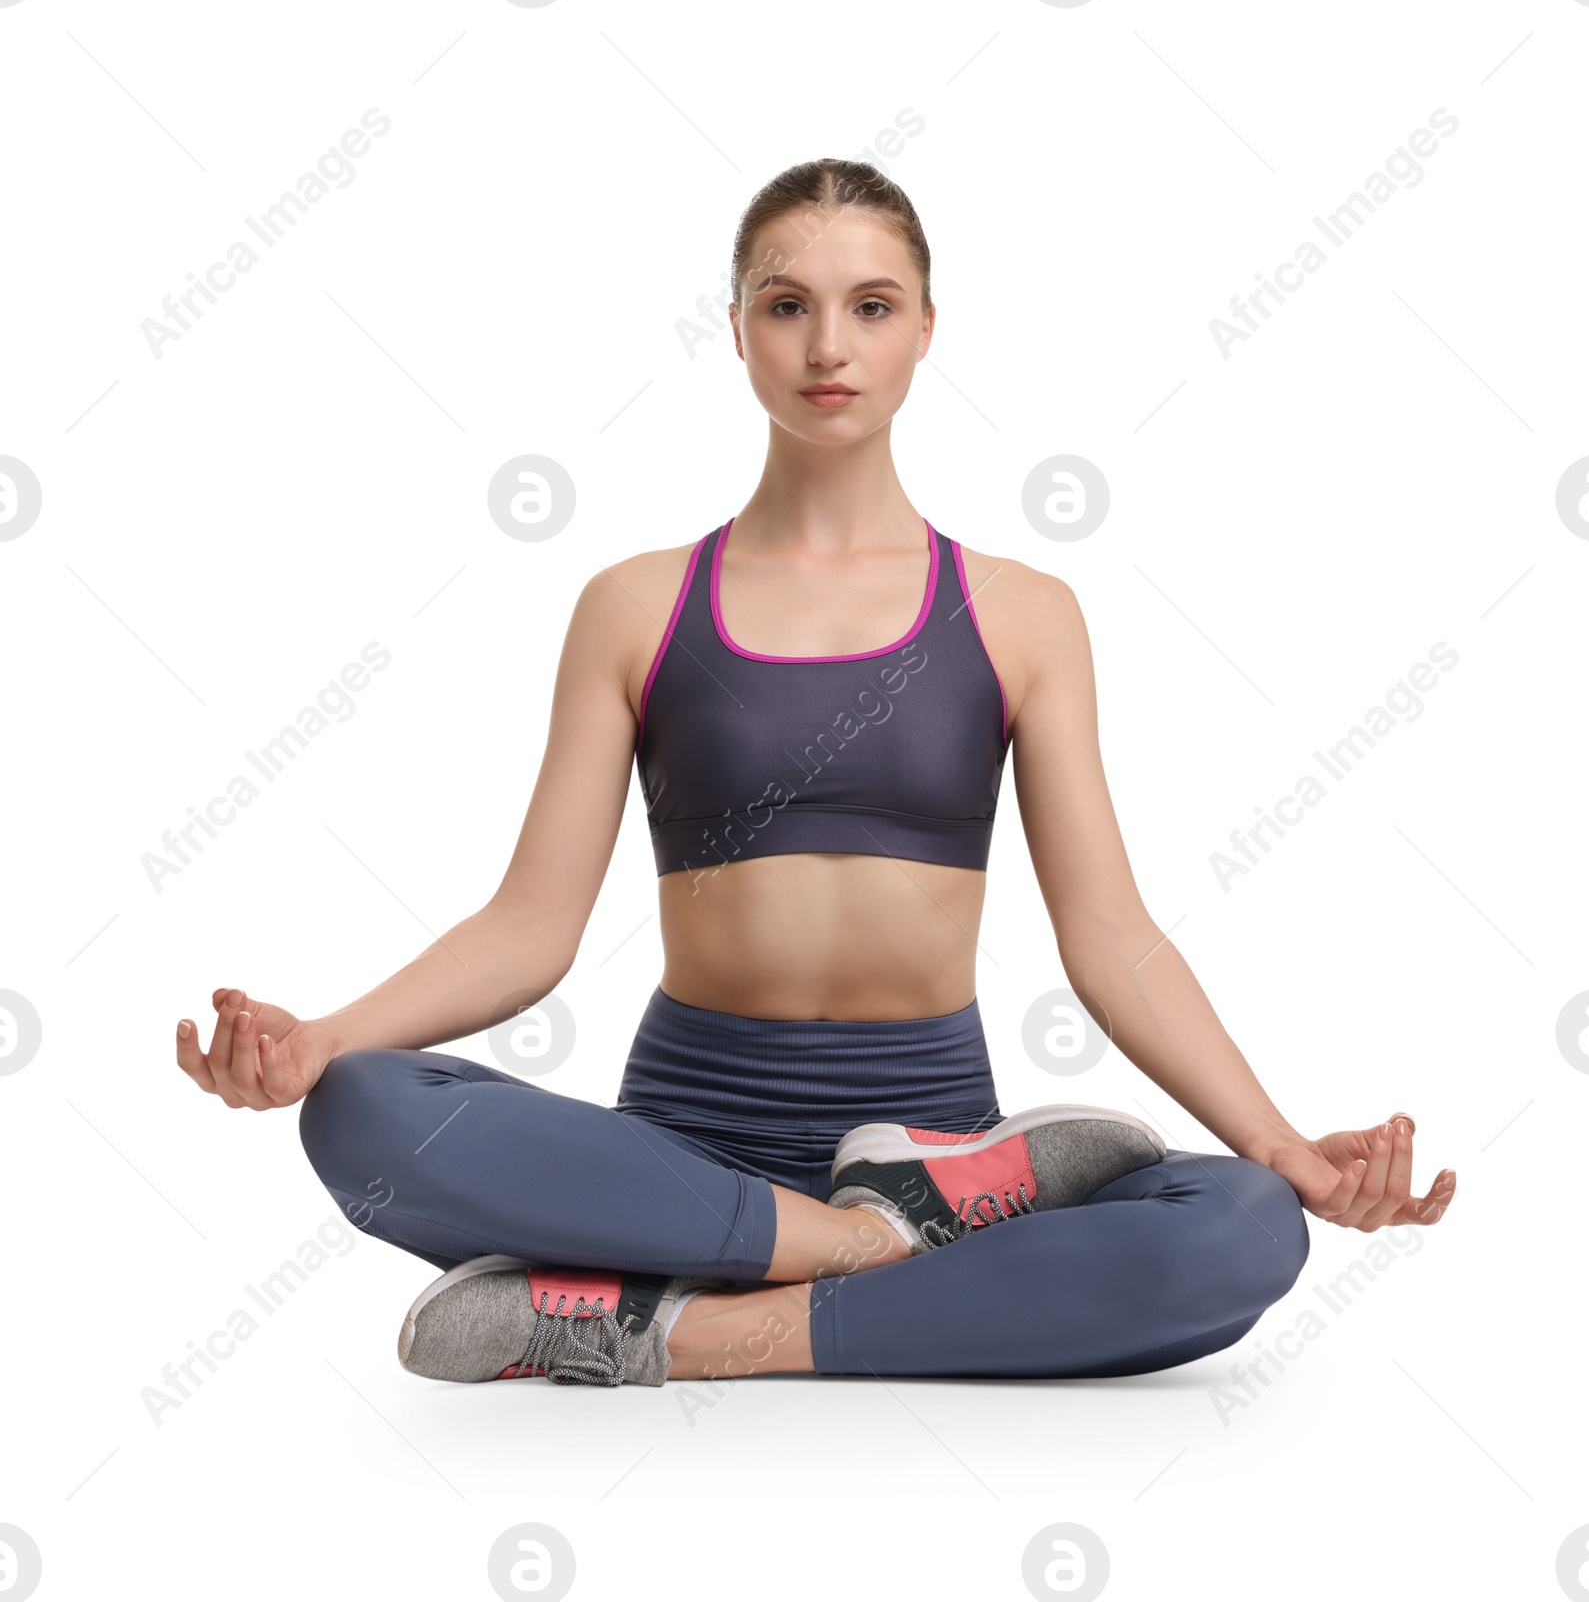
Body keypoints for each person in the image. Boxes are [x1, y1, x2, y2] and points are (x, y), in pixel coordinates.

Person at [174, 159, 1455, 1390]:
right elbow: (530, 925)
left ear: (926, 330)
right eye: (788, 306)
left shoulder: (1023, 613)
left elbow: (1110, 934)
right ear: (736, 332)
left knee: (1238, 1228)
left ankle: (676, 1327)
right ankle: (865, 1249)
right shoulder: (635, 605)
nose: (829, 345)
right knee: (360, 1114)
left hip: (947, 1145)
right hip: (678, 1150)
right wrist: (324, 1040)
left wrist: (1278, 1146)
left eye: (871, 307)